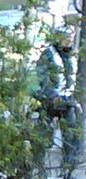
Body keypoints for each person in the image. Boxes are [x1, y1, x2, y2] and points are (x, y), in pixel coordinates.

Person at [35, 27, 82, 170]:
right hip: (50, 101)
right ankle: (38, 163)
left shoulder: (72, 56)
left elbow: (75, 78)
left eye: (71, 38)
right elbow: (42, 76)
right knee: (43, 133)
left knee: (71, 132)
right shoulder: (48, 54)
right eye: (66, 38)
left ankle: (69, 164)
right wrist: (51, 95)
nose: (69, 41)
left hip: (68, 100)